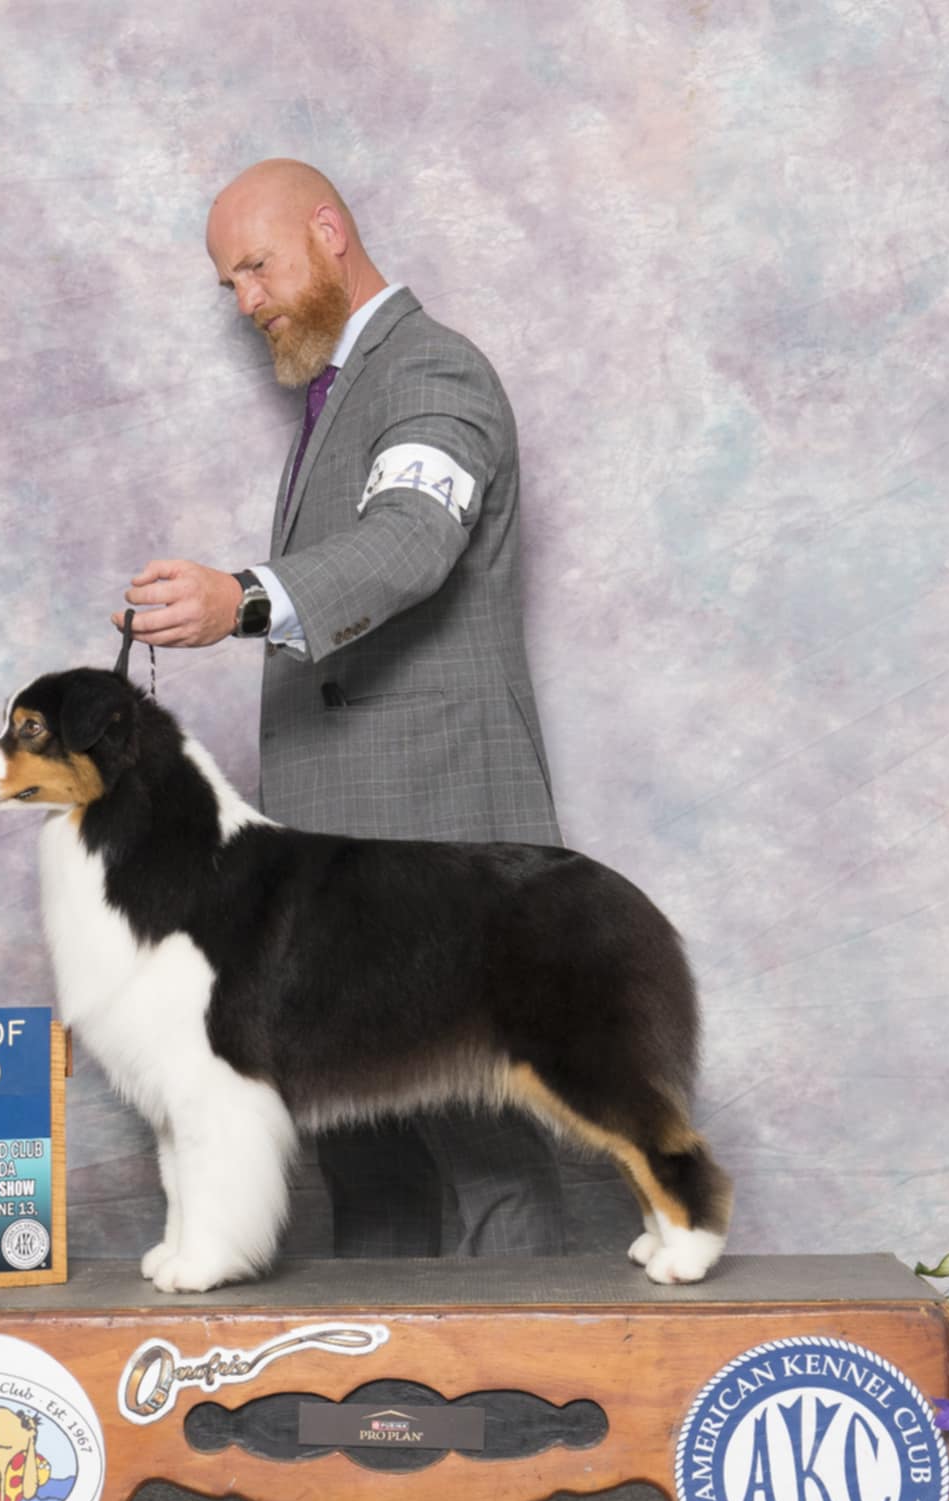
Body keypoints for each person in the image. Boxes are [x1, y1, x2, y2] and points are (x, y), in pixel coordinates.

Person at [119, 158, 567, 1258]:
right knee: (364, 1156)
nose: (246, 301)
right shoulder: (340, 390)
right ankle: (381, 1366)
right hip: (335, 867)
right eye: (228, 284)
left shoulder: (430, 371)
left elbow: (412, 540)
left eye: (256, 267)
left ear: (328, 231)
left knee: (489, 1148)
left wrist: (240, 599)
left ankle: (532, 1363)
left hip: (438, 852)